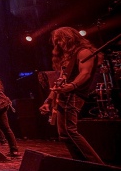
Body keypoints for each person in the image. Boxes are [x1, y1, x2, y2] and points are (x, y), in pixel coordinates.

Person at [39, 27, 105, 163]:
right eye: (56, 42)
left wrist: (72, 85)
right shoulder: (67, 57)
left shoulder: (84, 52)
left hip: (74, 95)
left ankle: (97, 163)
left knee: (70, 130)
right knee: (63, 134)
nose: (58, 44)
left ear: (69, 38)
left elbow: (85, 73)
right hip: (64, 95)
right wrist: (48, 100)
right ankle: (81, 163)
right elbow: (60, 80)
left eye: (60, 41)